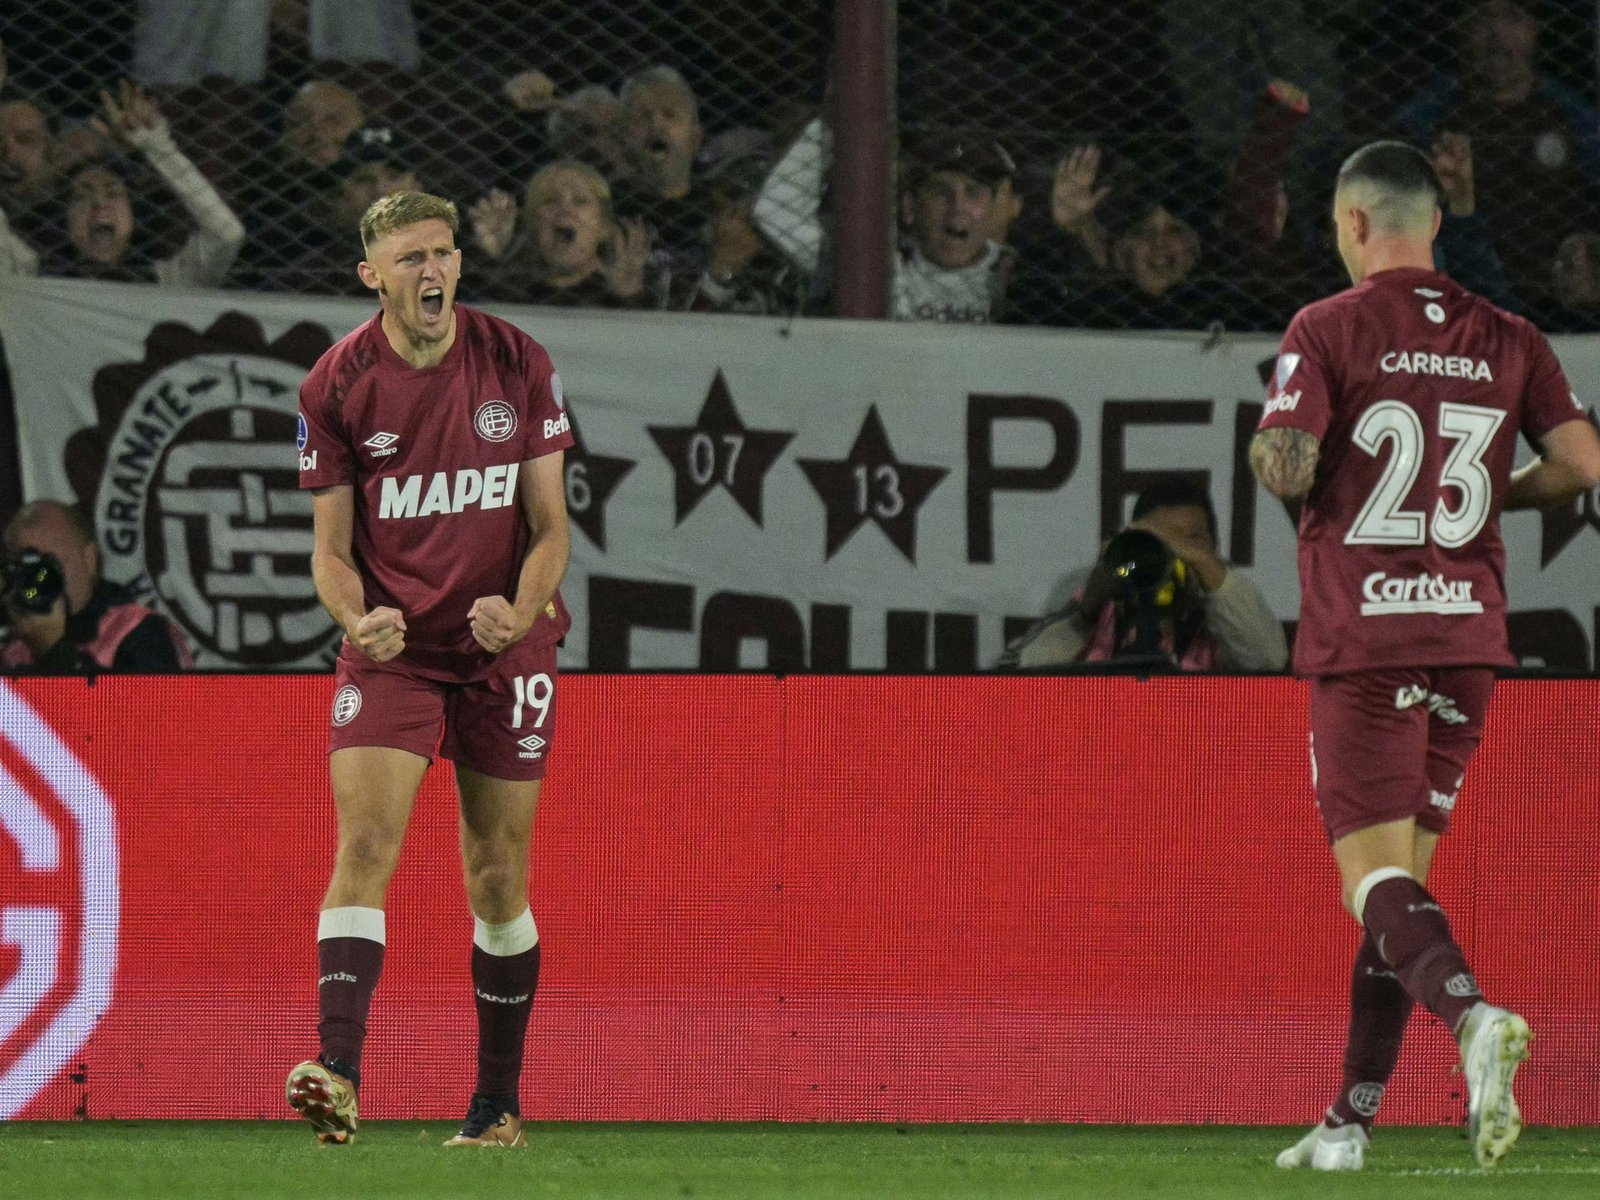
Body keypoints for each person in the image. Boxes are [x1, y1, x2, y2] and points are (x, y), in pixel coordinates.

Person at [1251, 140, 1600, 1172]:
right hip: (1465, 641)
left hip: (1366, 638)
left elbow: (1288, 459)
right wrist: (1495, 491)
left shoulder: (1327, 327)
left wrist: (1281, 458)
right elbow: (1580, 463)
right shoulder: (1508, 335)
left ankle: (1474, 1020)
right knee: (1403, 891)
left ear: (1353, 223)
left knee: (1368, 884)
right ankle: (1347, 1121)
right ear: (1434, 221)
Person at [286, 189, 573, 1149]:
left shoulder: (517, 361)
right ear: (372, 275)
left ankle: (495, 1108)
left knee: (496, 876)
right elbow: (330, 551)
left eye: (444, 253)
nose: (433, 272)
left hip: (507, 648)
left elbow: (552, 529)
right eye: (411, 258)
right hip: (397, 654)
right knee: (364, 849)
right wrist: (355, 615)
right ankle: (337, 1070)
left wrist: (520, 612)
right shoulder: (335, 383)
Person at [997, 477, 1286, 671]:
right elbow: (1013, 672)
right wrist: (1087, 611)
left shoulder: (1229, 615)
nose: (1176, 554)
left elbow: (1269, 660)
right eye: (1161, 542)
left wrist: (1204, 565)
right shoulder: (1117, 583)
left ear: (1213, 547)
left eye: (1191, 541)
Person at [46, 80, 244, 287]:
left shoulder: (170, 281)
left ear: (134, 214)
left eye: (113, 193)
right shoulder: (32, 276)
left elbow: (227, 233)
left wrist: (155, 144)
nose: (99, 204)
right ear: (64, 217)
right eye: (82, 196)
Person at [1, 500, 192, 673]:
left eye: (51, 565)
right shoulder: (13, 646)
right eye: (28, 568)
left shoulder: (141, 632)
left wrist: (54, 650)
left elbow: (144, 710)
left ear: (89, 559)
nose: (40, 578)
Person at [470, 159, 652, 307]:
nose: (565, 210)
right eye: (550, 200)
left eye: (580, 201)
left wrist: (630, 298)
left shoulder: (617, 297)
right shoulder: (508, 290)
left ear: (603, 226)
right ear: (532, 225)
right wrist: (489, 258)